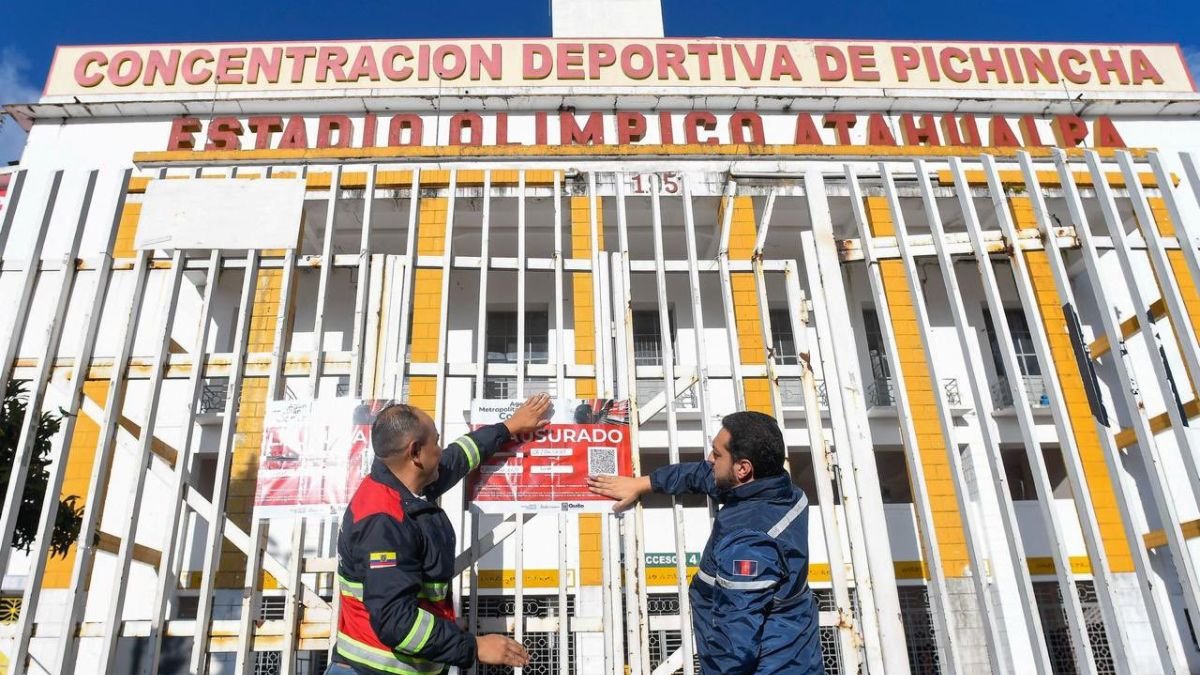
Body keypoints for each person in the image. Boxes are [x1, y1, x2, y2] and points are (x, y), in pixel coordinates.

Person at [328, 394, 553, 675]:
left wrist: (508, 427)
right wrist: (473, 647)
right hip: (374, 669)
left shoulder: (404, 481)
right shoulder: (383, 522)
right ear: (415, 453)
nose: (440, 448)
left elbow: (458, 457)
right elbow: (397, 623)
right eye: (435, 441)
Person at [588, 411, 822, 675]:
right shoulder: (782, 490)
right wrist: (643, 483)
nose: (710, 459)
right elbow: (704, 475)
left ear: (743, 468)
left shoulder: (749, 544)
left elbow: (735, 646)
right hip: (797, 653)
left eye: (717, 454)